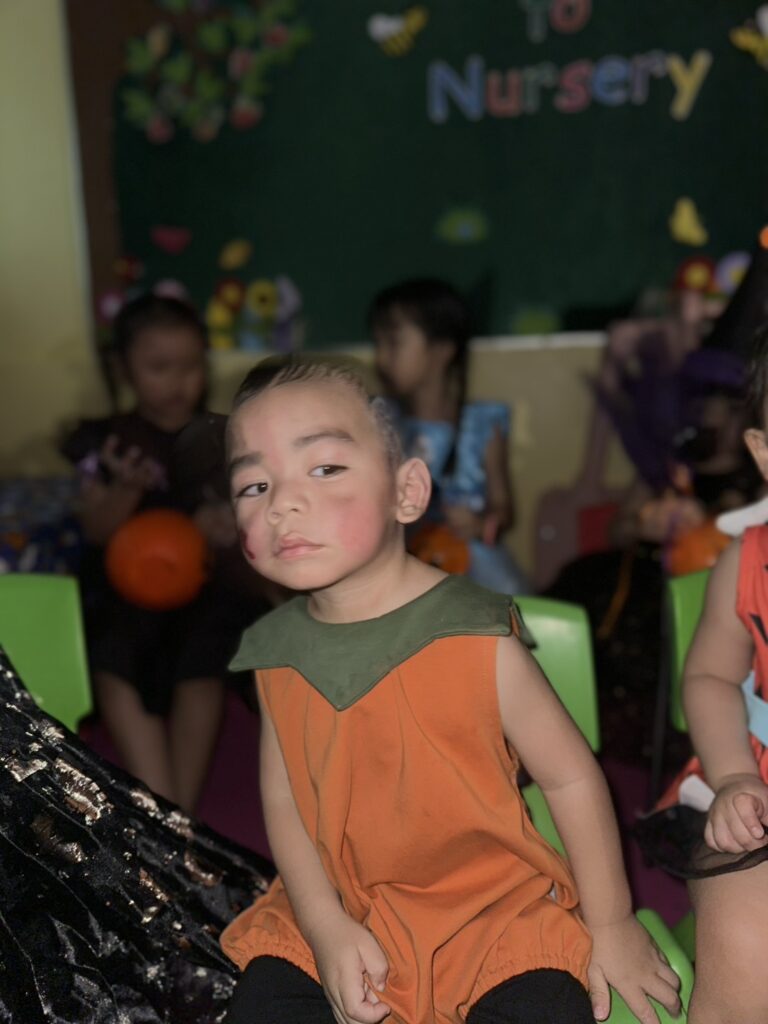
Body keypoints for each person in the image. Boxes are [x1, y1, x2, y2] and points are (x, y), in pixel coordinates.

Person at [220, 356, 680, 1024]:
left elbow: (572, 778)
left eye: (324, 468)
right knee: (262, 1005)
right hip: (343, 903)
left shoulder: (476, 635)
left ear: (406, 491)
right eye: (254, 485)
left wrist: (611, 923)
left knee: (547, 1008)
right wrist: (322, 924)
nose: (281, 503)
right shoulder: (274, 652)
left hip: (490, 915)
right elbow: (283, 797)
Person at [61, 293, 270, 812]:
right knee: (114, 653)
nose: (179, 382)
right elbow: (97, 528)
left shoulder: (224, 438)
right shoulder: (107, 441)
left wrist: (229, 522)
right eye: (159, 367)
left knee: (206, 653)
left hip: (203, 590)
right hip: (126, 593)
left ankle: (181, 815)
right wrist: (127, 489)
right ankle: (158, 805)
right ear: (124, 368)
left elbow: (256, 513)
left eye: (192, 366)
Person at [636, 324, 768, 1022]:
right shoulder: (746, 564)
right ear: (765, 453)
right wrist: (735, 776)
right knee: (749, 949)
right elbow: (712, 679)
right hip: (755, 787)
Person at [369, 278, 528, 593]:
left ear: (441, 350)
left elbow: (503, 508)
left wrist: (481, 524)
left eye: (394, 343)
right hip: (406, 561)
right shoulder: (378, 419)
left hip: (475, 566)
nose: (381, 358)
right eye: (378, 344)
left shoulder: (482, 423)